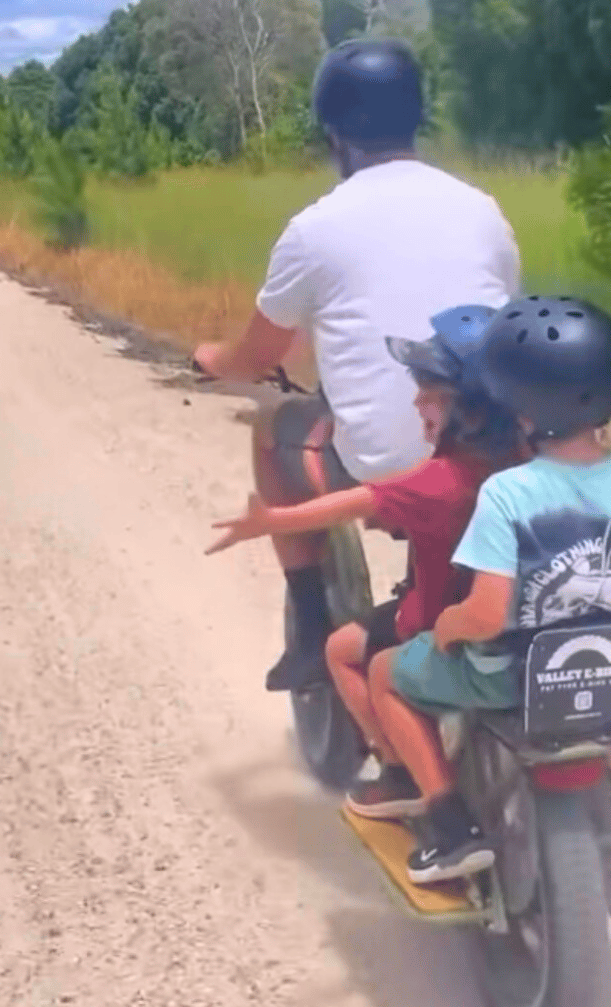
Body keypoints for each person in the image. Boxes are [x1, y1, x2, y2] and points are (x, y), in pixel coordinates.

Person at [193, 38, 522, 693]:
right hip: (497, 451)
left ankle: (313, 628)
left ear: (335, 132)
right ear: (415, 119)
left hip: (388, 467)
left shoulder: (315, 228)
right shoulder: (483, 211)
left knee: (271, 427)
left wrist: (210, 359)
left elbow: (257, 357)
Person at [361, 296, 611, 885]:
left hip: (505, 672)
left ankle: (447, 824)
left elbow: (488, 614)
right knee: (604, 698)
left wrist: (446, 628)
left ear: (514, 406)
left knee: (388, 674)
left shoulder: (510, 492)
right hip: (599, 663)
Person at [206, 305, 522, 810]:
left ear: (464, 409)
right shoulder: (526, 462)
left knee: (344, 653)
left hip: (439, 618)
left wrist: (268, 523)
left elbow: (356, 502)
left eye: (429, 392)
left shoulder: (437, 482)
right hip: (523, 619)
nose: (417, 400)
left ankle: (404, 775)